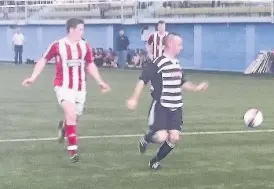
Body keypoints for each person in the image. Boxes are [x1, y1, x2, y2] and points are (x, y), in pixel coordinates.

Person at [21, 18, 111, 163]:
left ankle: (63, 127)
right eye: (81, 29)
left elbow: (90, 64)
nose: (83, 32)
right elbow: (43, 60)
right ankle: (73, 151)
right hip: (62, 86)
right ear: (72, 29)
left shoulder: (85, 46)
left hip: (80, 87)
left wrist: (100, 81)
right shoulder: (58, 45)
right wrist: (33, 77)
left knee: (74, 116)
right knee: (70, 114)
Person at [126, 33, 208, 170]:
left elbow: (182, 82)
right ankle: (146, 138)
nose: (181, 48)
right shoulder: (157, 62)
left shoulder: (176, 63)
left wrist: (196, 88)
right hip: (161, 106)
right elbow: (143, 79)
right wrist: (134, 98)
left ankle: (155, 161)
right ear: (170, 44)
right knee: (161, 137)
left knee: (174, 137)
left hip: (176, 107)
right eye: (179, 44)